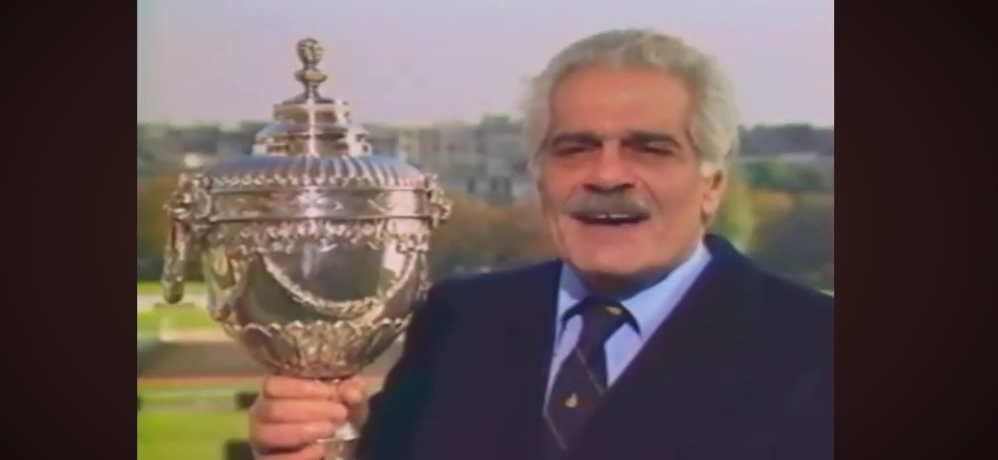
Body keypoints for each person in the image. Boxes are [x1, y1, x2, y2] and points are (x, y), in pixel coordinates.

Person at [248, 28, 834, 460]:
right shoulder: (458, 320)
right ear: (539, 176)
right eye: (574, 148)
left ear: (712, 185)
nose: (607, 175)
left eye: (649, 149)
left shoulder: (817, 348)